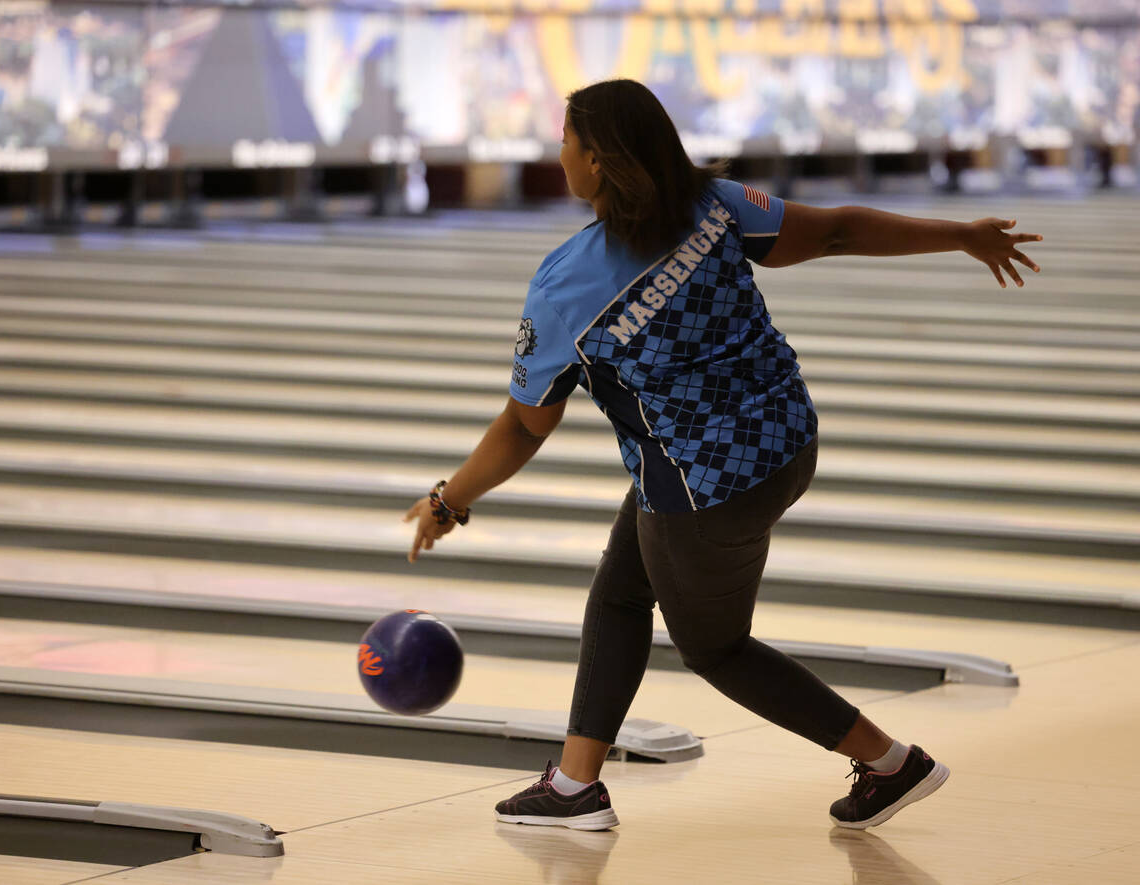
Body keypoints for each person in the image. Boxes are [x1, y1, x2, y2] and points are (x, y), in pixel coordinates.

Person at [403, 79, 1042, 831]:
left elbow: (521, 428)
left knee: (717, 648)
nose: (560, 153)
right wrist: (959, 234)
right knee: (619, 589)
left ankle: (891, 763)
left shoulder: (566, 284)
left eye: (567, 141)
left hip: (703, 491)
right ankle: (575, 786)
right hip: (784, 441)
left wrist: (449, 500)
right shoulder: (715, 204)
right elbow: (834, 230)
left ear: (600, 161)